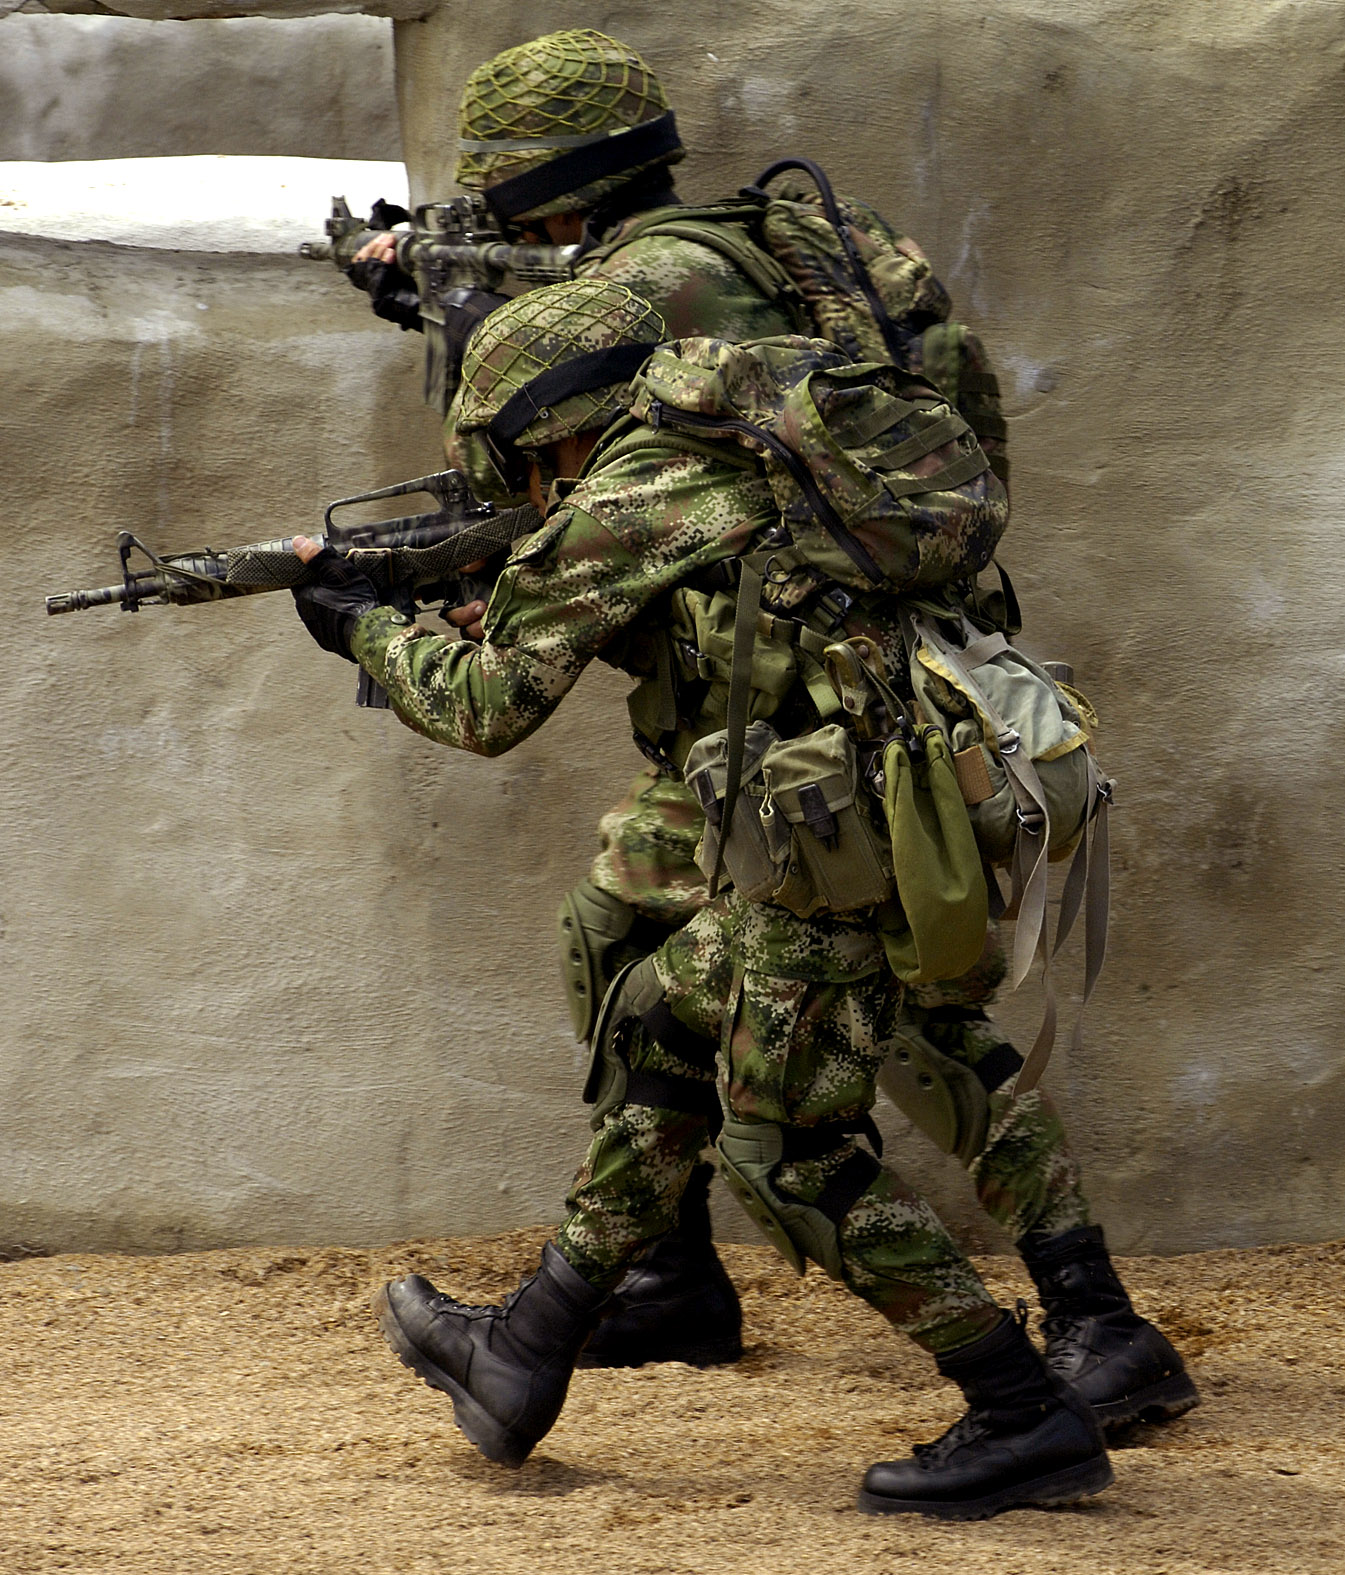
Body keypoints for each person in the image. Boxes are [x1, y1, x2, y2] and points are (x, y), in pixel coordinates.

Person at [339, 28, 1191, 1436]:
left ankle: (1076, 1327)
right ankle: (657, 1277)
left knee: (826, 1028)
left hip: (817, 710)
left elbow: (606, 492)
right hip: (859, 665)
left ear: (547, 192)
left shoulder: (641, 286)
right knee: (632, 932)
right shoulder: (759, 243)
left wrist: (401, 590)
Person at [288, 277, 1139, 1517]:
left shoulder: (636, 486)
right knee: (661, 1019)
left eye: (527, 468)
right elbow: (741, 624)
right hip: (883, 812)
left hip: (839, 844)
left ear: (557, 431)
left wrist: (361, 627)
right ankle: (524, 1352)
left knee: (789, 1150)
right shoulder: (736, 438)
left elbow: (484, 710)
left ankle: (1023, 1413)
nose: (532, 495)